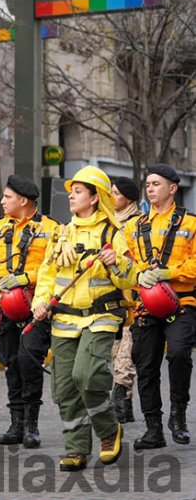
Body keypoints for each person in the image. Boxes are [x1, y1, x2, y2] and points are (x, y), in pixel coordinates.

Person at [32, 166, 133, 471]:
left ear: (94, 197)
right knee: (64, 388)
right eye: (72, 191)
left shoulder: (113, 234)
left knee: (86, 377)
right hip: (64, 320)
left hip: (101, 317)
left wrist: (118, 262)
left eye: (78, 191)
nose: (72, 196)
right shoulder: (61, 233)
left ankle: (107, 430)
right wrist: (40, 302)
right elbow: (47, 275)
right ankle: (76, 448)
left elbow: (130, 280)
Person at [0, 175, 59, 449]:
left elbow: (54, 265)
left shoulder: (51, 229)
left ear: (23, 201)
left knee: (29, 361)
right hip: (3, 307)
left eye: (7, 197)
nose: (1, 202)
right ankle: (16, 422)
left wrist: (25, 278)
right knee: (11, 362)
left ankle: (31, 424)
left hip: (36, 308)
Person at [125, 164, 196, 449]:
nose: (150, 188)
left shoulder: (191, 224)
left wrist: (170, 272)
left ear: (173, 188)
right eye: (148, 184)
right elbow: (125, 262)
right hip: (145, 305)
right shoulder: (134, 226)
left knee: (179, 354)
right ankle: (153, 428)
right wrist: (138, 274)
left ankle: (178, 414)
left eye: (156, 183)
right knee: (145, 365)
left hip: (182, 302)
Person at [110, 176, 141, 423]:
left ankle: (119, 396)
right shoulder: (108, 223)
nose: (111, 197)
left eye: (116, 193)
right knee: (116, 353)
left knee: (125, 357)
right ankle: (126, 408)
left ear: (128, 199)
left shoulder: (138, 224)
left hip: (136, 300)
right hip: (113, 299)